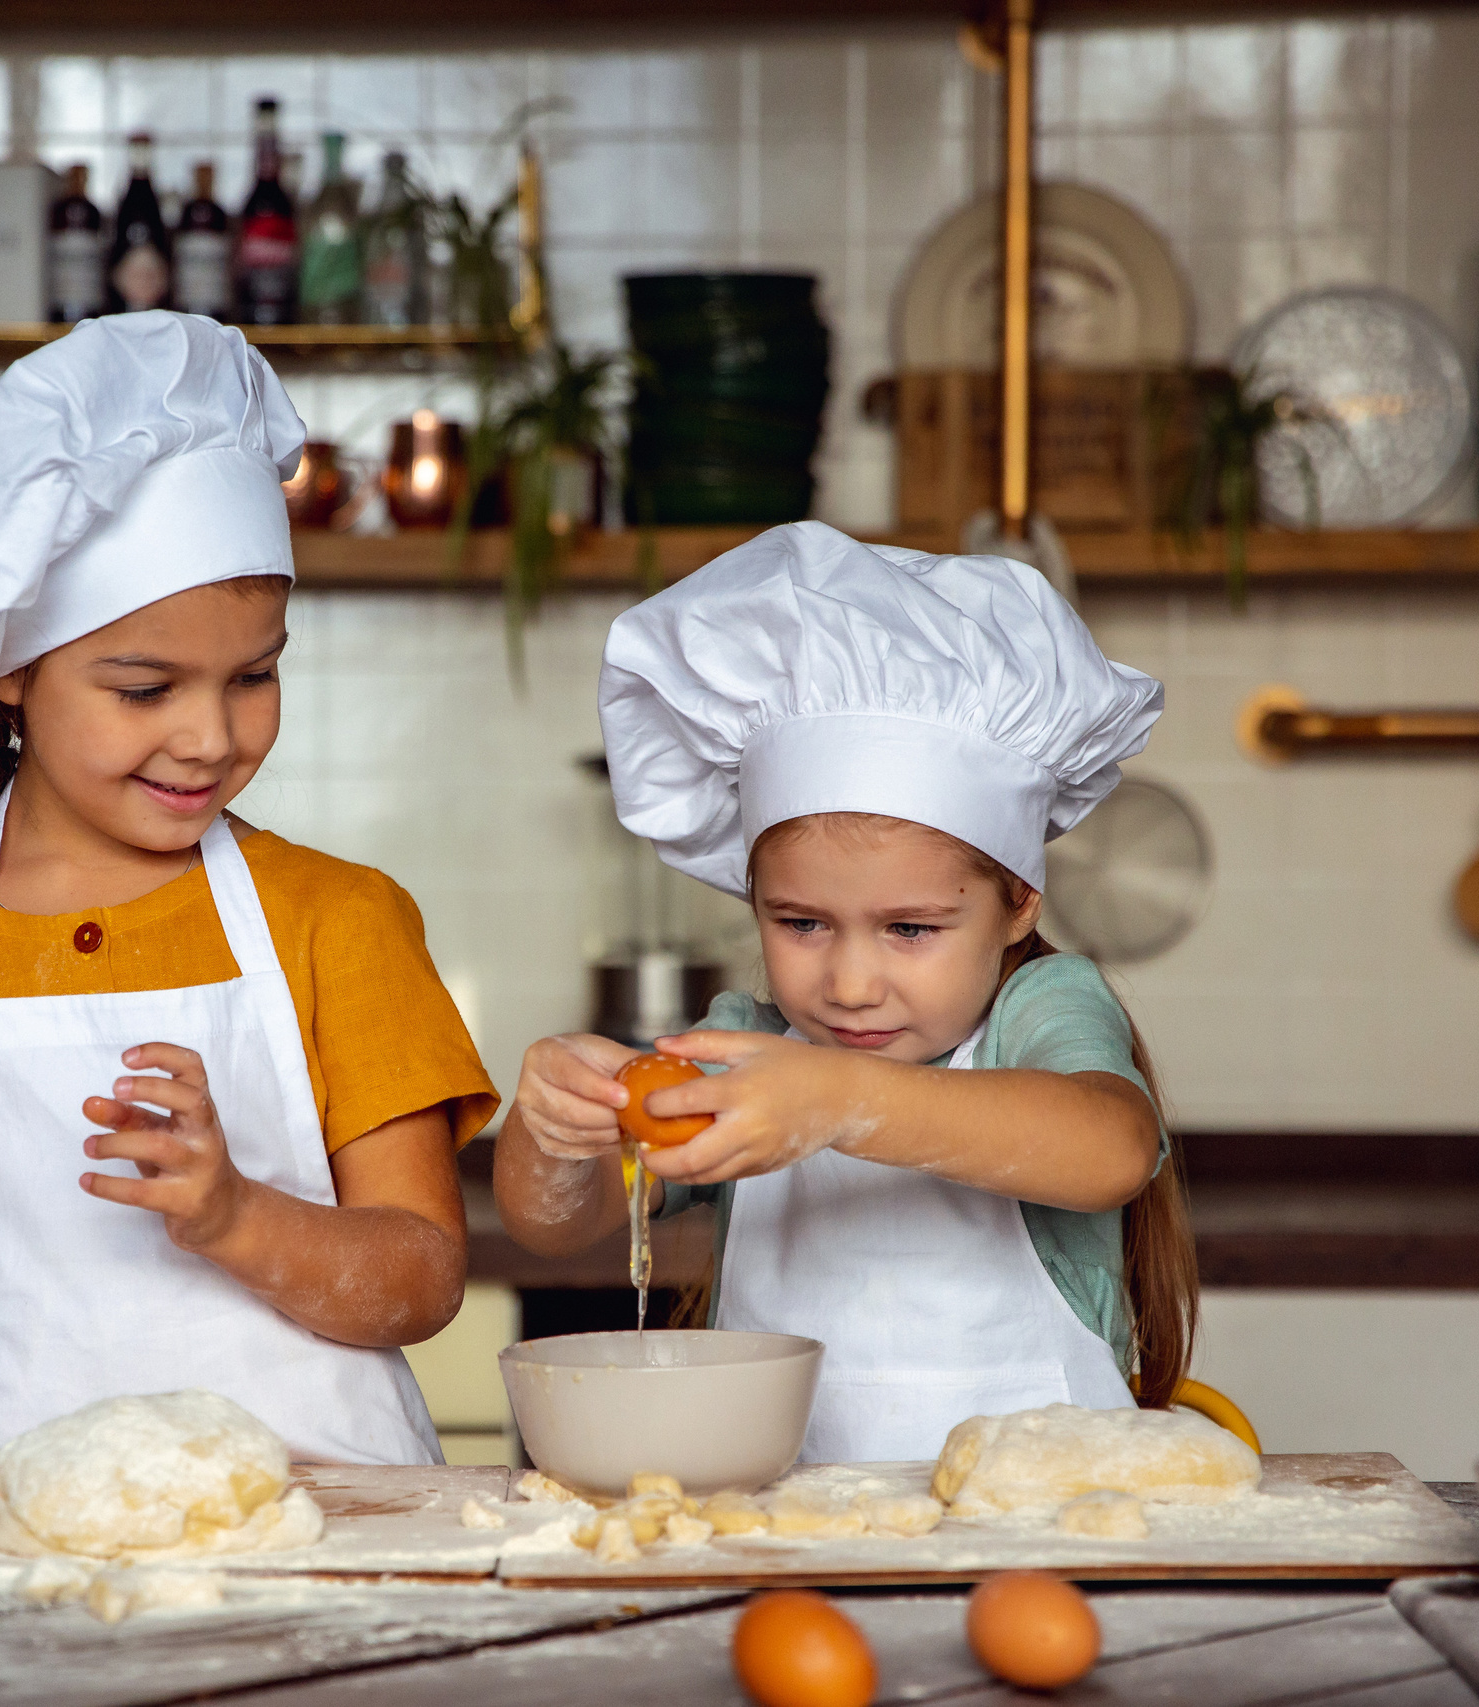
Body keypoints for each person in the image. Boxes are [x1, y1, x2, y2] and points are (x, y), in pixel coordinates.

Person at [0, 312, 497, 1464]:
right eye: (144, 688)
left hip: (318, 1532)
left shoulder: (338, 920)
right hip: (3, 1539)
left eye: (253, 676)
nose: (209, 736)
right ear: (10, 669)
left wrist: (235, 1216)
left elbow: (419, 1279)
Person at [495, 521, 1195, 1463]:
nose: (852, 984)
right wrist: (555, 1133)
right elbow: (554, 1224)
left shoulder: (1038, 1011)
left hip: (1045, 1515)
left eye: (910, 929)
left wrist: (839, 1101)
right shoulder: (745, 1050)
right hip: (787, 1522)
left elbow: (1112, 1148)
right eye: (802, 923)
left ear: (1020, 901)